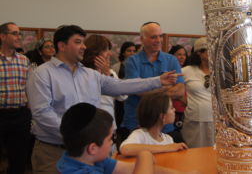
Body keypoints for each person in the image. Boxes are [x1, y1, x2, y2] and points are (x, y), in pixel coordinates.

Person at [26, 25, 179, 174]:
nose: (84, 47)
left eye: (84, 42)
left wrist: (157, 80)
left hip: (91, 151)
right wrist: (79, 137)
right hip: (54, 152)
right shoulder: (42, 74)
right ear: (62, 45)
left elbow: (121, 86)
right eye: (78, 42)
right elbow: (42, 114)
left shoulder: (90, 75)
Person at [57, 102, 190, 174]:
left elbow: (133, 169)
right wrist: (145, 155)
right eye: (111, 138)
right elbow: (143, 165)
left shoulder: (91, 159)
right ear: (93, 148)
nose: (112, 143)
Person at [118, 22, 185, 147]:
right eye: (154, 37)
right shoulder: (132, 61)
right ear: (142, 39)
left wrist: (150, 90)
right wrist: (167, 88)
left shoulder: (171, 60)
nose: (158, 40)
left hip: (165, 125)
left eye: (160, 36)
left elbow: (180, 90)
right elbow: (137, 90)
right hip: (137, 123)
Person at [0, 22, 31, 174]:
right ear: (2, 36)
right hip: (0, 114)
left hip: (20, 115)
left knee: (18, 159)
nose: (18, 37)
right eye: (14, 33)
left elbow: (29, 89)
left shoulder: (24, 60)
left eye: (19, 33)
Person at [120, 92, 188, 157]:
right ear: (162, 116)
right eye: (171, 107)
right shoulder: (140, 135)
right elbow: (125, 149)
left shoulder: (168, 139)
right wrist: (165, 147)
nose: (174, 110)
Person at [82, 34, 127, 127]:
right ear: (95, 52)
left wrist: (107, 74)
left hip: (109, 124)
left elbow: (123, 96)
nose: (109, 53)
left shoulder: (111, 72)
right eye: (106, 50)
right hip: (88, 123)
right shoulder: (81, 72)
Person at [181, 37, 214, 148]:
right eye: (209, 50)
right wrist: (188, 103)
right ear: (199, 52)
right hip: (195, 119)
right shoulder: (186, 71)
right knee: (194, 152)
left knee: (214, 153)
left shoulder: (220, 71)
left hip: (216, 120)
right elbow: (175, 91)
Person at [168, 45, 188, 132]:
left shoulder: (187, 70)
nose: (182, 57)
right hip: (172, 110)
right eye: (179, 54)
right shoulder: (169, 72)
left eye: (184, 55)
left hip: (185, 112)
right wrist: (187, 102)